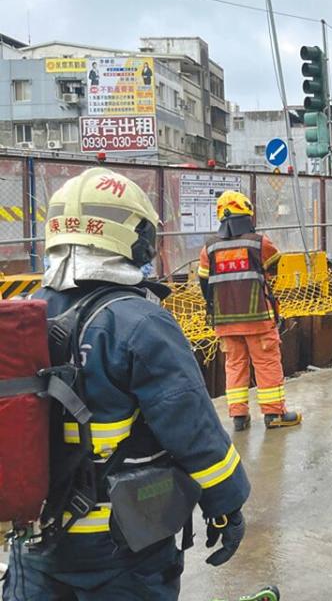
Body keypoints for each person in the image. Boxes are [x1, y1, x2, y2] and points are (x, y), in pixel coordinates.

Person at [3, 167, 249, 600]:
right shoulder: (139, 322)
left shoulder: (25, 317)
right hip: (121, 548)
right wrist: (226, 502)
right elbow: (192, 429)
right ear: (132, 237)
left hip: (35, 539)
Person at [198, 191, 301, 431]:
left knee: (234, 365)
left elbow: (204, 284)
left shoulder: (209, 249)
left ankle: (239, 417)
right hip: (258, 318)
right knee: (266, 363)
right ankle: (274, 414)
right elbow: (274, 266)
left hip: (224, 321)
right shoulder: (259, 243)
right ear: (247, 214)